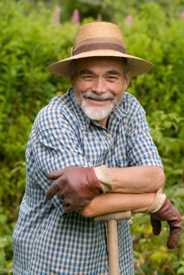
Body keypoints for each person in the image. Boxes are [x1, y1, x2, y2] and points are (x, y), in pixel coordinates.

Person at [13, 21, 181, 275]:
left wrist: (95, 177)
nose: (100, 89)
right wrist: (153, 201)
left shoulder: (129, 108)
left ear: (126, 81)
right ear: (72, 78)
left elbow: (154, 175)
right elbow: (85, 204)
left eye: (112, 76)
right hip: (55, 264)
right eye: (87, 75)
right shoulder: (54, 118)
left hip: (115, 261)